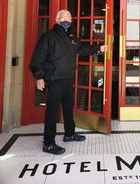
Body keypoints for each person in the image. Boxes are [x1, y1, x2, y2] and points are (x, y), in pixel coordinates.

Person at [29, 9, 107, 154]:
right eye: (63, 19)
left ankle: (69, 134)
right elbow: (37, 59)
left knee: (68, 108)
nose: (66, 22)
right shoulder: (49, 37)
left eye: (69, 20)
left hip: (67, 79)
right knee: (52, 111)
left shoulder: (71, 37)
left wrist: (99, 49)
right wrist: (39, 77)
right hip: (53, 80)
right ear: (57, 19)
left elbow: (83, 49)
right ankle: (48, 143)